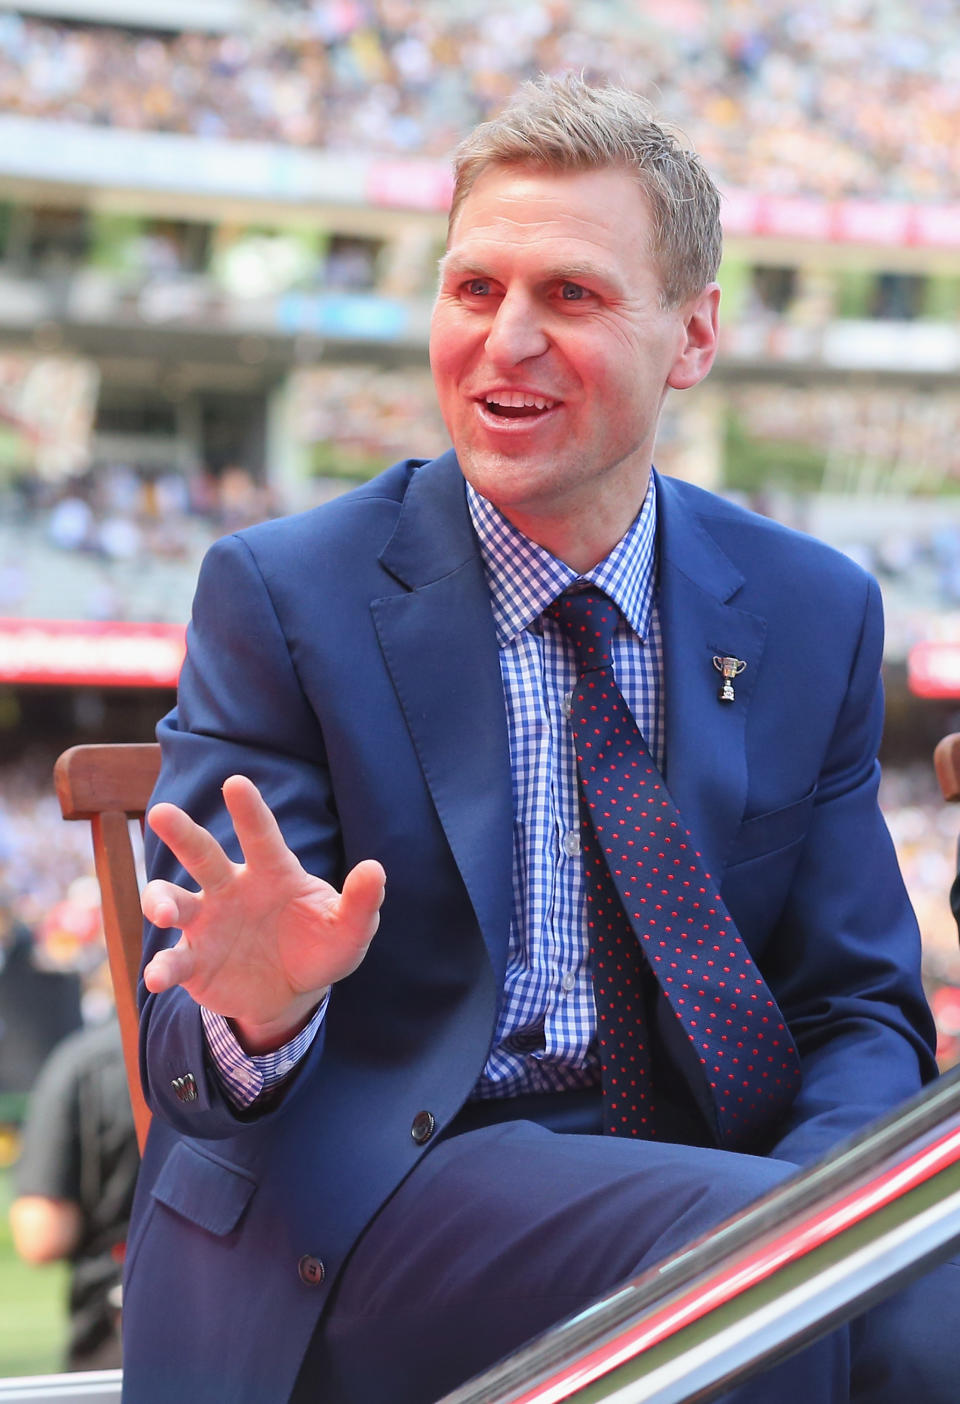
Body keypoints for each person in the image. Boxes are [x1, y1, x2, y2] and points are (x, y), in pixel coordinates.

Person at [125, 75, 953, 1404]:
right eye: (473, 291)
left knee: (908, 1274)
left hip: (698, 1182)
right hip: (368, 1202)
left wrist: (830, 1209)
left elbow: (857, 1004)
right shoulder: (287, 593)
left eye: (569, 296)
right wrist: (262, 1011)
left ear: (692, 336)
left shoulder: (811, 609)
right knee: (733, 1271)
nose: (504, 339)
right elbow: (199, 1064)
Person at [10, 1019, 138, 1371]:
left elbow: (43, 1236)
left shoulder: (83, 1060)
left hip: (119, 1321)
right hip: (250, 1315)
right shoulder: (266, 1039)